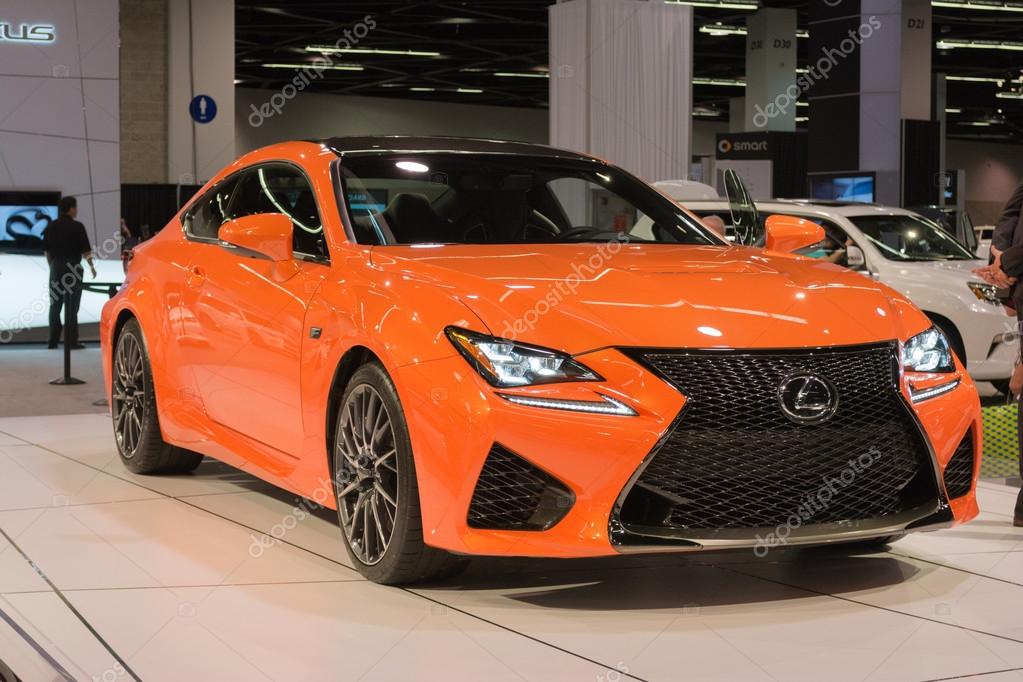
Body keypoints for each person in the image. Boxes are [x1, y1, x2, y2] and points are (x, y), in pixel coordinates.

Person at [42, 196, 96, 349]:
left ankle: (52, 341)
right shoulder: (78, 226)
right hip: (73, 267)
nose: (76, 210)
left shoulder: (51, 226)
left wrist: (52, 266)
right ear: (71, 208)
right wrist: (92, 266)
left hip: (56, 266)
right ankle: (71, 341)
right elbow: (86, 251)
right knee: (72, 307)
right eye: (76, 207)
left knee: (55, 305)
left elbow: (47, 251)